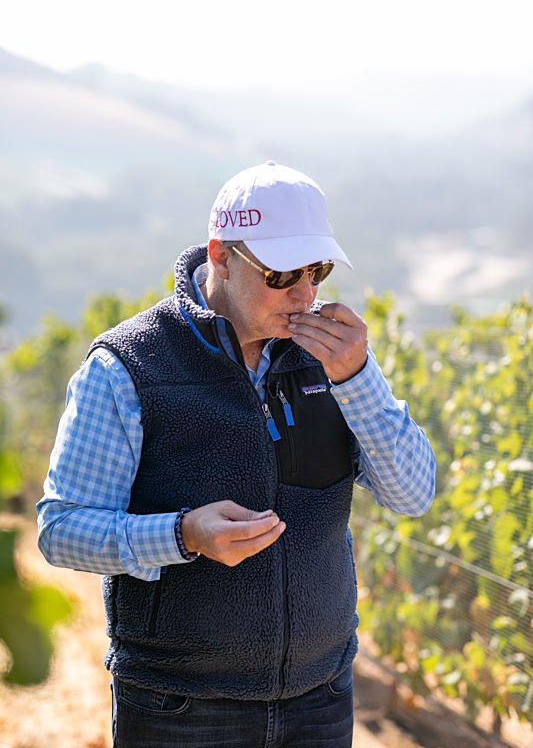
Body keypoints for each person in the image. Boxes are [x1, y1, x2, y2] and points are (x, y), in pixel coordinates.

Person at [37, 160, 436, 748]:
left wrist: (358, 379)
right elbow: (60, 529)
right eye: (281, 275)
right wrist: (182, 535)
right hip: (179, 707)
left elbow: (413, 495)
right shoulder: (128, 367)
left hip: (320, 698)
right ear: (221, 255)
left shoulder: (334, 360)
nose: (304, 294)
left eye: (317, 270)